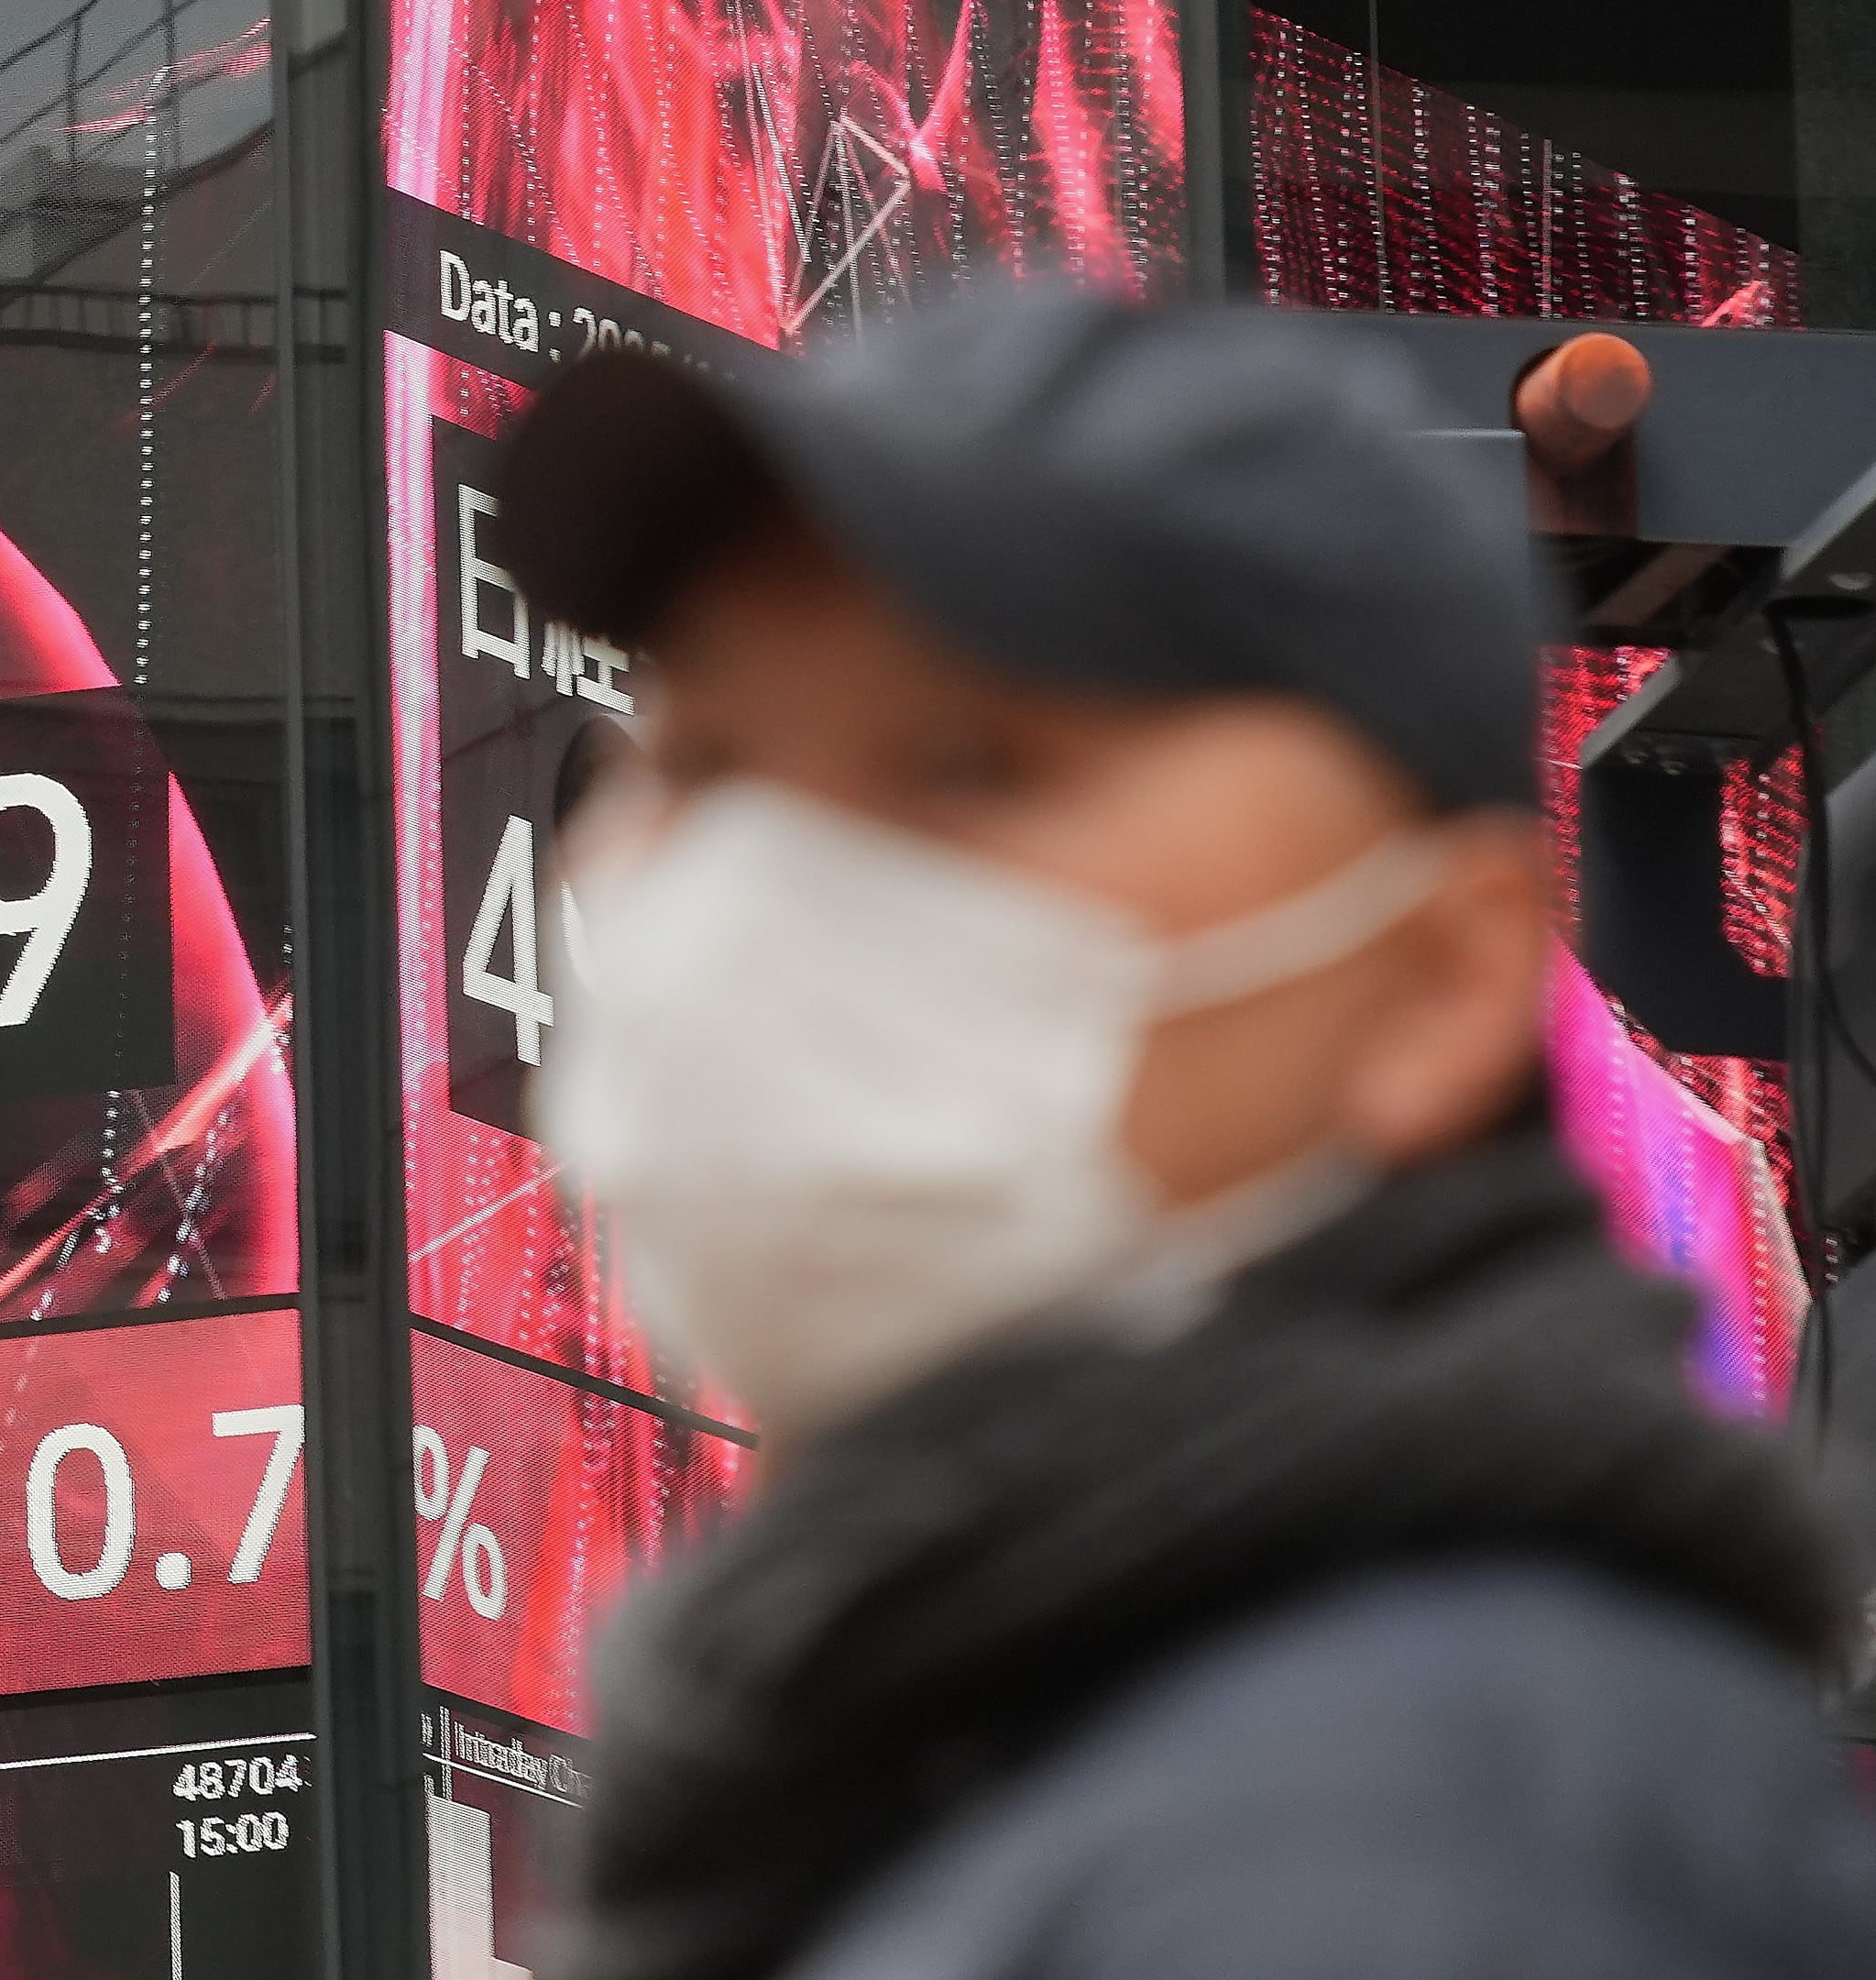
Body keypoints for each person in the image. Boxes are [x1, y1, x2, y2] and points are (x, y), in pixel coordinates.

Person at [489, 292, 1876, 1980]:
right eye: (705, 766)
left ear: (1433, 986)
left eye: (967, 765)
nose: (764, 896)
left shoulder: (1408, 1827)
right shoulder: (969, 1768)